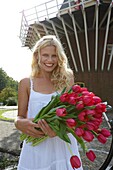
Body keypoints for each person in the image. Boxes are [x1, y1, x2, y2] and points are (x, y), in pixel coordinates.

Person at [15, 35, 83, 170]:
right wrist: (19, 123)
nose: (50, 60)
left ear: (59, 57)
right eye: (45, 55)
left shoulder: (67, 78)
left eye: (54, 56)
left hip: (61, 144)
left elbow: (73, 115)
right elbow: (20, 116)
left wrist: (59, 131)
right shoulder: (26, 83)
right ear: (37, 56)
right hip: (36, 147)